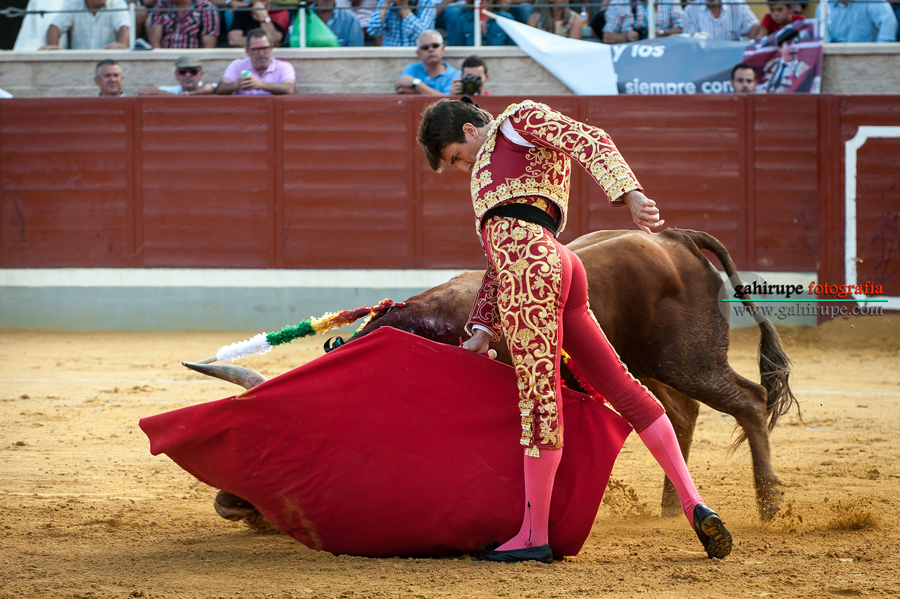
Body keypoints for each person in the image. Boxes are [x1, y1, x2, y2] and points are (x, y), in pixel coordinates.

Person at [416, 98, 733, 564]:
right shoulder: (499, 163)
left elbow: (589, 138)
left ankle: (533, 536)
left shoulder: (516, 123)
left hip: (533, 270)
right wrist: (482, 327)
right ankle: (694, 503)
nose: (463, 168)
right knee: (623, 386)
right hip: (557, 263)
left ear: (469, 129)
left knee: (539, 402)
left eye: (456, 157)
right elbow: (498, 264)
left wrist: (630, 194)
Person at [217, 28, 296, 95]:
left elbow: (289, 88)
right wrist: (235, 85)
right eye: (256, 49)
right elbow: (220, 88)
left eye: (265, 48)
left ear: (271, 48)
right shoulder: (238, 65)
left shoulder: (283, 66)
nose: (261, 53)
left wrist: (261, 85)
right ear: (247, 51)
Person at [40, 0, 130, 50]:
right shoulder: (73, 4)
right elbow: (55, 26)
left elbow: (124, 26)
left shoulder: (117, 4)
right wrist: (52, 46)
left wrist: (121, 45)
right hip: (79, 62)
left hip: (108, 63)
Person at [395, 30, 461, 95]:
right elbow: (400, 88)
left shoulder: (455, 75)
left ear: (442, 49)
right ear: (418, 53)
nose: (430, 49)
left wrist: (416, 84)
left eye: (435, 45)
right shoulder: (412, 68)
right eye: (425, 47)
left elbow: (447, 101)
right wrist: (437, 94)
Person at [602, 0, 684, 43]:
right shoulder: (618, 3)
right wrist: (626, 37)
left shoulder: (671, 1)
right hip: (631, 56)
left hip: (664, 52)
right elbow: (607, 37)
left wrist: (661, 33)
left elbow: (682, 30)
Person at [148, 0, 220, 48]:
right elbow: (155, 43)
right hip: (166, 58)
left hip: (194, 61)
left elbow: (209, 46)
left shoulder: (206, 7)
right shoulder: (161, 5)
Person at [815, 0, 897, 42]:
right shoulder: (823, 7)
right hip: (837, 61)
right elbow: (824, 43)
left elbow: (888, 22)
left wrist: (879, 53)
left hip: (869, 58)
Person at [366, 0, 440, 46]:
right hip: (391, 57)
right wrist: (386, 3)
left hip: (417, 57)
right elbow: (372, 30)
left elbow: (422, 35)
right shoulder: (385, 2)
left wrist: (404, 7)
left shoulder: (427, 2)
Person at [759, 27, 809, 93]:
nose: (793, 46)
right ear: (780, 48)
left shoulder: (802, 68)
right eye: (789, 43)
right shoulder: (772, 65)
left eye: (796, 42)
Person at [442, 0, 514, 46]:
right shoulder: (462, 21)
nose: (484, 2)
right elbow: (457, 50)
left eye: (488, 0)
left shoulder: (506, 19)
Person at [138, 55, 216, 95]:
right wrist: (177, 96)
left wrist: (193, 94)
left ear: (201, 74)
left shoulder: (211, 87)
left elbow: (210, 87)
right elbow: (144, 91)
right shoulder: (174, 91)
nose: (188, 75)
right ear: (176, 74)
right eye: (183, 71)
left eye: (193, 71)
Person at [683, 0, 759, 41]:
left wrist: (750, 46)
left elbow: (755, 27)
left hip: (732, 61)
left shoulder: (737, 5)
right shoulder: (691, 10)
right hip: (703, 61)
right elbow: (690, 43)